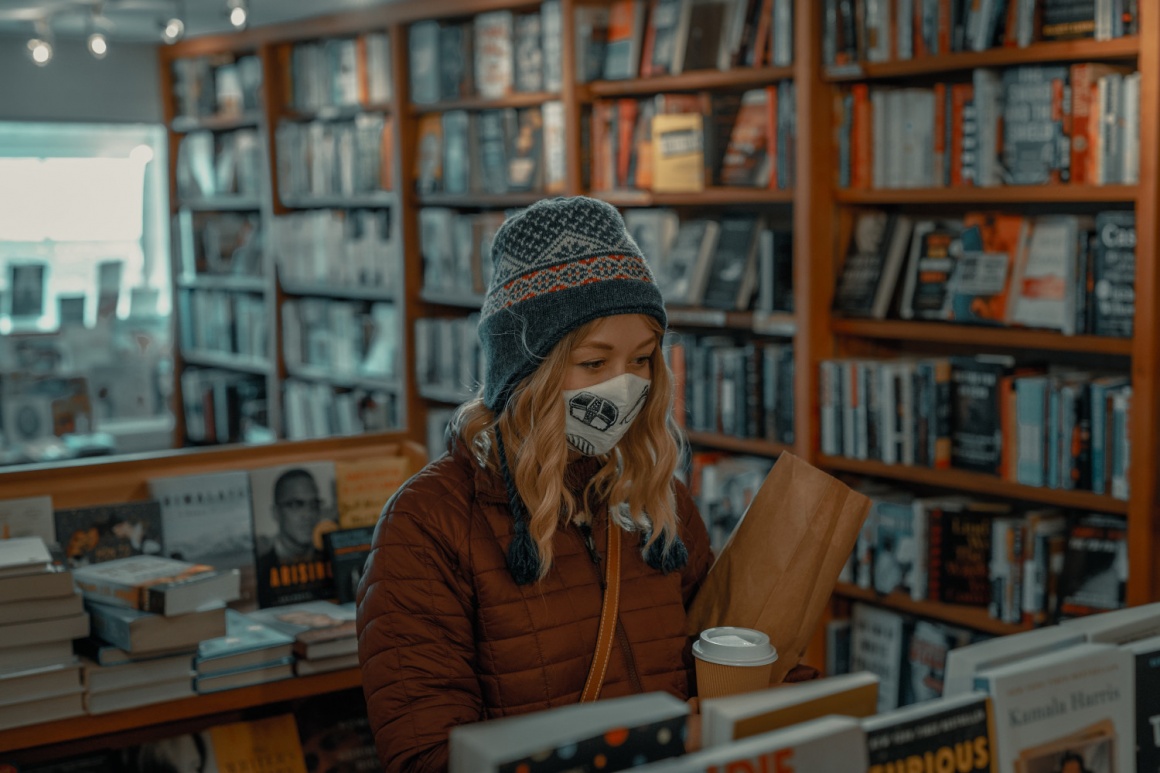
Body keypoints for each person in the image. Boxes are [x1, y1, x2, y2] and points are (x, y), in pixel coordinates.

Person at [356, 196, 812, 773]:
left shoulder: (655, 497)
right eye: (594, 364)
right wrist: (660, 741)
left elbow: (721, 647)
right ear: (526, 371)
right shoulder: (428, 523)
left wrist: (792, 707)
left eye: (642, 360)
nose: (624, 387)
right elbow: (426, 757)